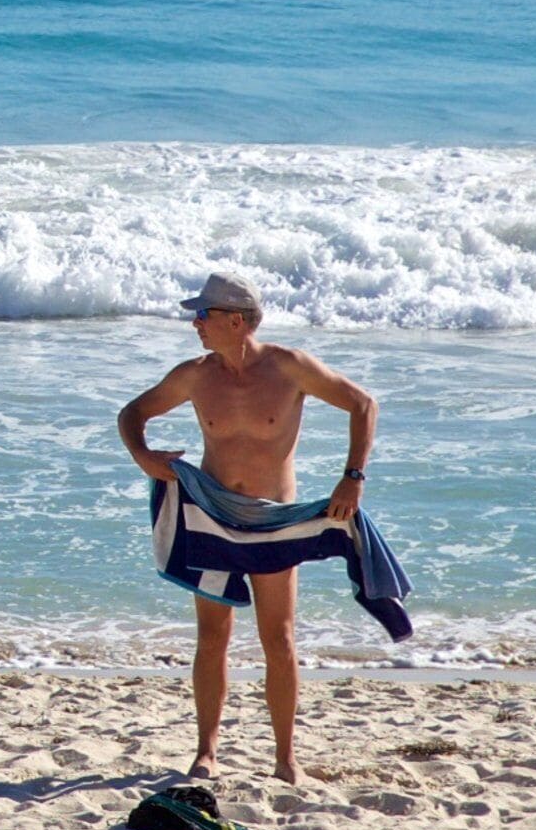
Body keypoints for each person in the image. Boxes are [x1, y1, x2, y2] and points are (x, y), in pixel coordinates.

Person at [116, 275, 385, 783]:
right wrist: (142, 455)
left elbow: (363, 405)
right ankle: (206, 753)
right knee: (212, 635)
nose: (195, 324)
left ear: (234, 320)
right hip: (212, 518)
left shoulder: (288, 367)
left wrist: (352, 478)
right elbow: (132, 413)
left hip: (273, 522)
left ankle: (286, 760)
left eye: (203, 315)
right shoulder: (195, 376)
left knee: (278, 638)